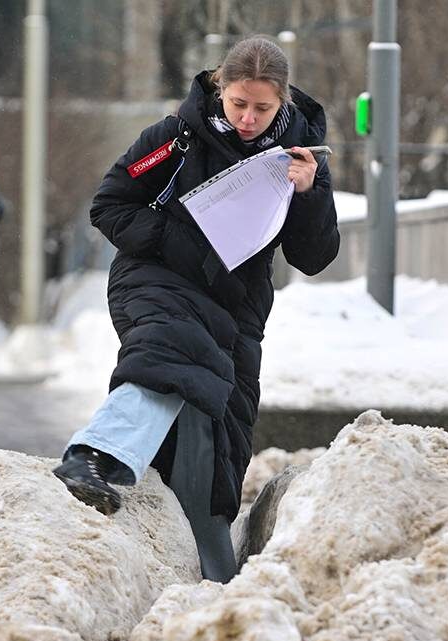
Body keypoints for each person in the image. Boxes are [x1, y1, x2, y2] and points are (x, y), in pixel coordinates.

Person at [54, 35, 339, 582]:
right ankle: (93, 457)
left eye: (262, 107)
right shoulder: (176, 137)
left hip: (234, 308)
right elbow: (109, 205)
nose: (249, 118)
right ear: (219, 88)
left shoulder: (301, 158)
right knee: (174, 351)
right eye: (239, 103)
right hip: (155, 276)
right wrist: (178, 241)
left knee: (222, 430)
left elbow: (315, 255)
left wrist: (311, 194)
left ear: (283, 102)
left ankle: (210, 569)